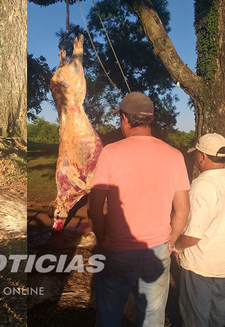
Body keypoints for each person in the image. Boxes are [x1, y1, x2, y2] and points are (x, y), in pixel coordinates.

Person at [87, 92, 190, 326]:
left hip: (117, 249)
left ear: (124, 118)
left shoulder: (111, 153)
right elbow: (183, 209)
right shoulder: (174, 155)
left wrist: (103, 239)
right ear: (149, 120)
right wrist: (170, 242)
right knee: (153, 316)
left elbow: (94, 208)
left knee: (109, 315)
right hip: (158, 250)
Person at [174, 133, 225, 327]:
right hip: (222, 266)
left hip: (201, 267)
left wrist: (177, 247)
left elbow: (193, 235)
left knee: (195, 318)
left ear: (202, 157)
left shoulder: (202, 185)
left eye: (196, 154)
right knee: (219, 318)